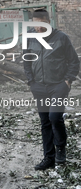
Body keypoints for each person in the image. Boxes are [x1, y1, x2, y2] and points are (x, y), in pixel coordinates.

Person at [23, 9, 80, 170]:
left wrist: (67, 81)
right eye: (35, 24)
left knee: (55, 117)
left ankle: (60, 148)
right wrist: (31, 81)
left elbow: (74, 62)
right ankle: (49, 158)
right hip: (39, 87)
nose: (38, 28)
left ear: (48, 22)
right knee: (45, 122)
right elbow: (26, 60)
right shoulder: (30, 36)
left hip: (58, 86)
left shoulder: (61, 38)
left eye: (41, 24)